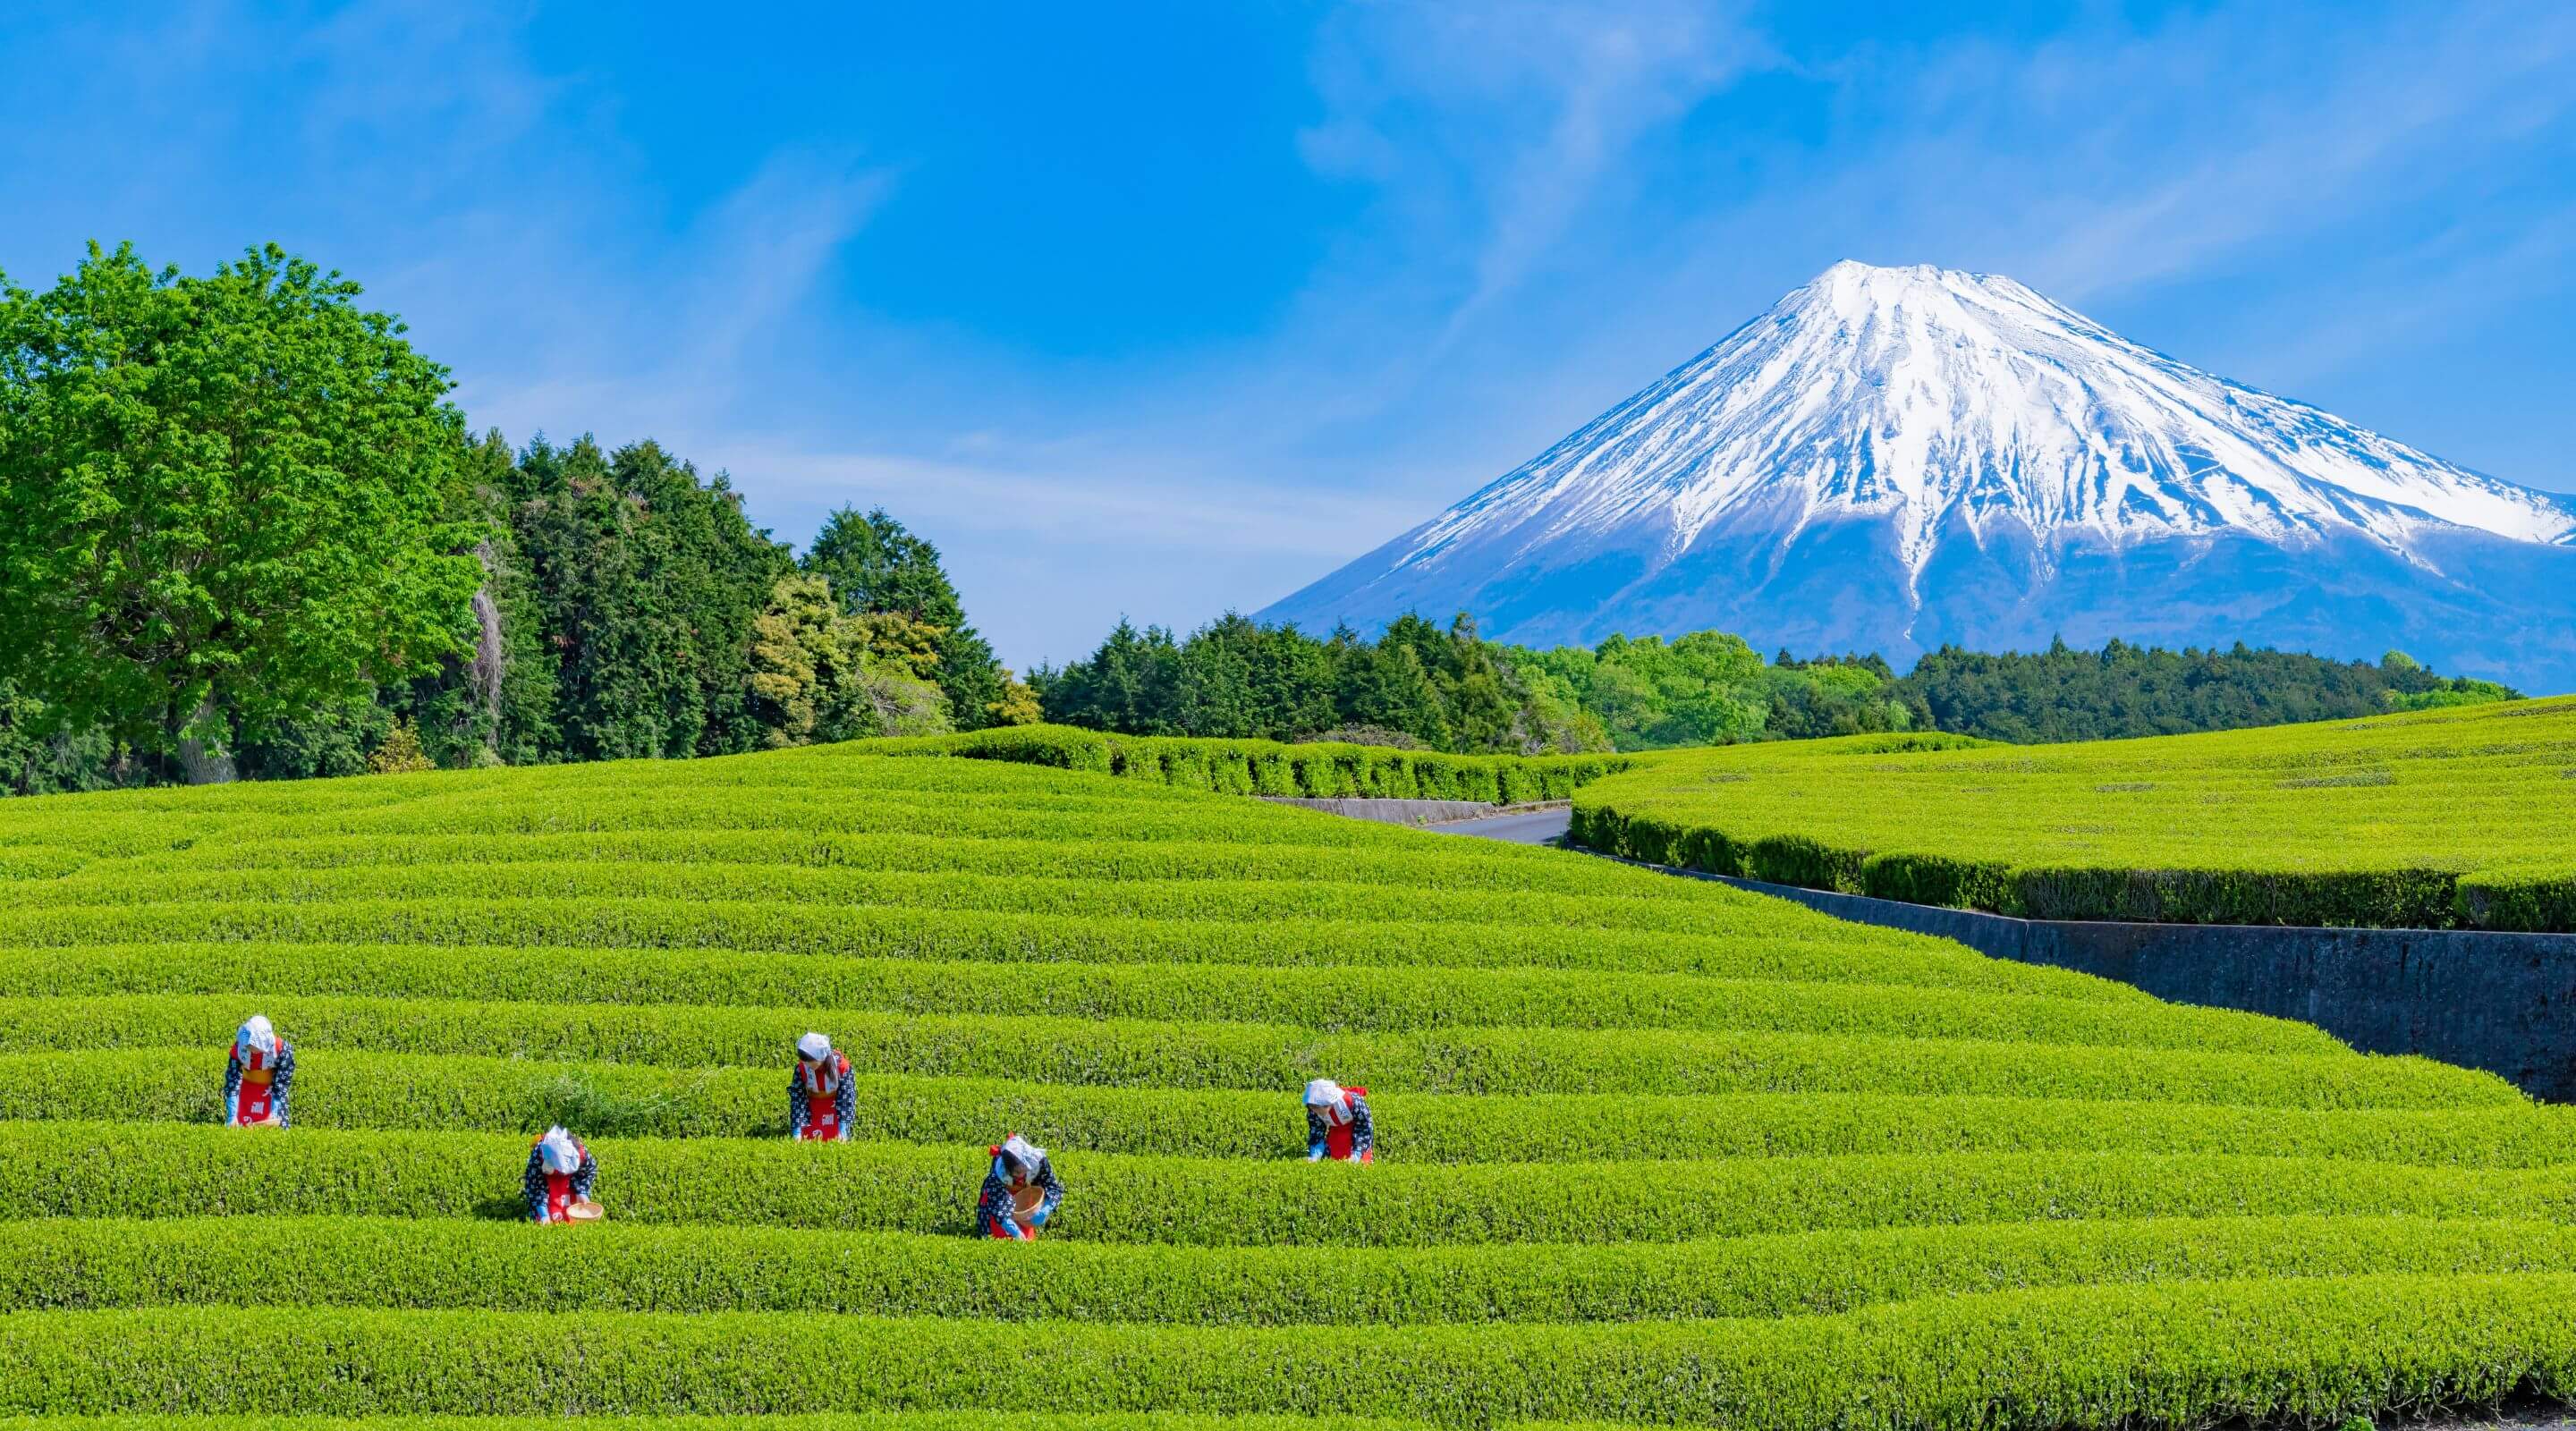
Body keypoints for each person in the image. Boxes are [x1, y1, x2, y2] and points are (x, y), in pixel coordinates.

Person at [976, 1133, 1063, 1240]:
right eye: (1017, 1172)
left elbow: (1053, 1187)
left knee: (1027, 1239)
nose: (1022, 1174)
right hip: (1002, 1200)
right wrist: (1013, 1229)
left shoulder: (1038, 1160)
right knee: (1001, 1238)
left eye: (1025, 1168)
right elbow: (997, 1204)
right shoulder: (999, 1173)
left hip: (1024, 1201)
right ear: (1008, 1169)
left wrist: (1046, 1208)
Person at [223, 1015, 295, 1128]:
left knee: (277, 1127)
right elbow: (233, 1081)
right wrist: (232, 1114)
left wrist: (274, 1112)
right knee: (240, 1127)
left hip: (271, 1091)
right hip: (247, 1090)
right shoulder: (239, 1049)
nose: (251, 1048)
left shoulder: (282, 1050)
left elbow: (281, 1084)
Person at [524, 1125, 601, 1224]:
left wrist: (582, 1191)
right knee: (546, 1221)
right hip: (548, 1188)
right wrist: (543, 1214)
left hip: (570, 1189)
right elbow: (535, 1185)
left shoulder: (581, 1152)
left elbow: (588, 1172)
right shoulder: (538, 1155)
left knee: (574, 1221)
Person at [789, 1030, 855, 1142]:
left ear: (820, 1057)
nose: (806, 1064)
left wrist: (843, 1126)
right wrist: (797, 1128)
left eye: (809, 1061)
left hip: (835, 1110)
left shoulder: (842, 1067)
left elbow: (846, 1098)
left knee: (836, 1141)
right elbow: (798, 1099)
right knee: (809, 1143)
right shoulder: (801, 1068)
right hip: (813, 1109)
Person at [1303, 1078, 1374, 1163]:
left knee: (1361, 1163)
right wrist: (1315, 1155)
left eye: (1318, 1108)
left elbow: (1364, 1127)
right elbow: (1317, 1131)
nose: (1316, 1112)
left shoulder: (1352, 1102)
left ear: (1328, 1103)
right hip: (1336, 1129)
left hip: (1355, 1128)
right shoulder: (1313, 1109)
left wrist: (1357, 1153)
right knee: (1333, 1160)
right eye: (1313, 1108)